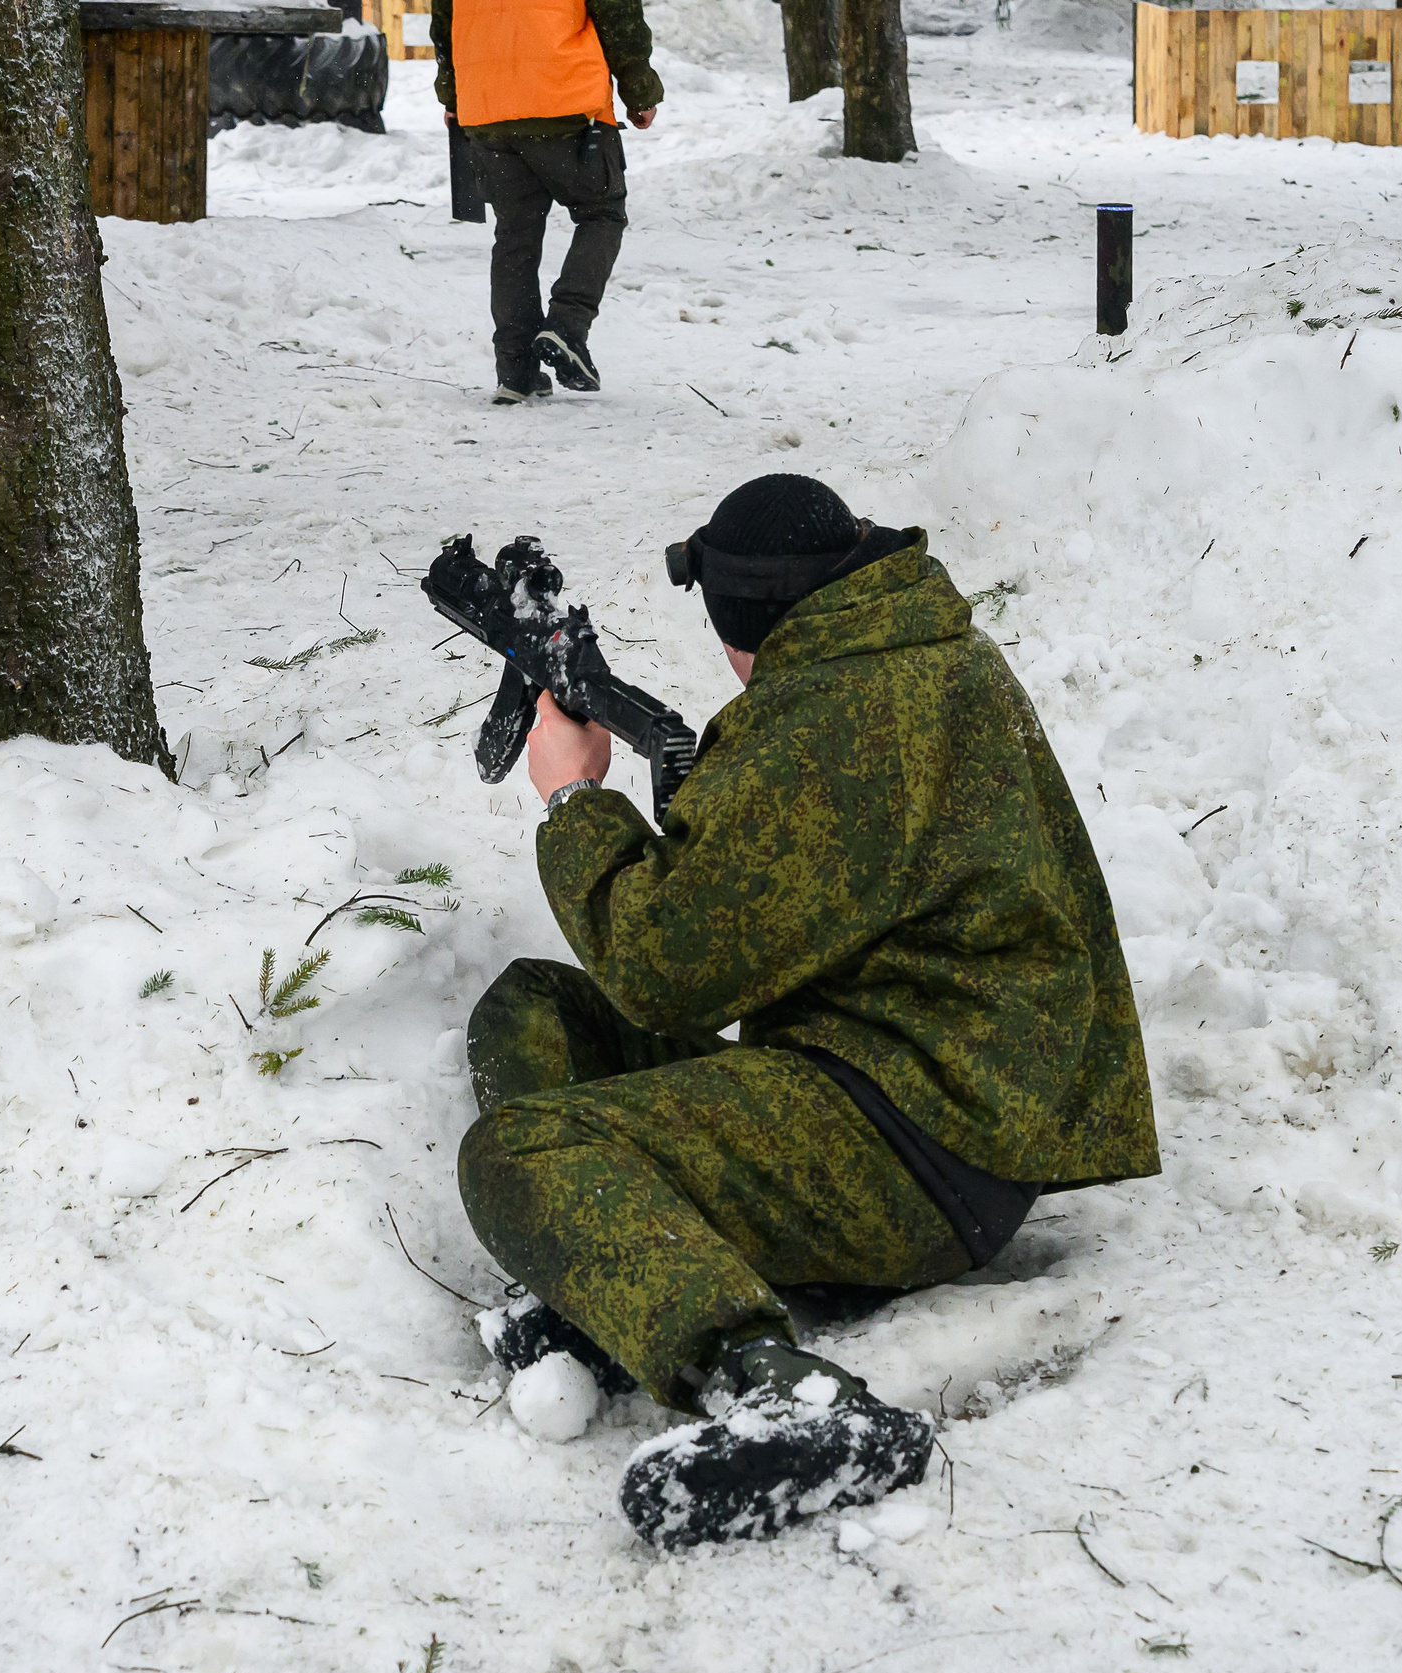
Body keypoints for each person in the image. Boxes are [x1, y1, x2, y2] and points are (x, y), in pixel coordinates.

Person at [455, 474, 1161, 1548]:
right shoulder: (908, 654)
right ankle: (606, 1283)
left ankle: (783, 1393)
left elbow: (666, 970)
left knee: (517, 1151)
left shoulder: (830, 720)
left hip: (921, 1145)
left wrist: (574, 796)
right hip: (932, 1093)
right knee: (536, 1008)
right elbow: (791, 884)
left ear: (742, 623)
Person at [431, 0, 662, 404]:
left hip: (487, 106)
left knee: (515, 237)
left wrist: (453, 95)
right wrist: (639, 88)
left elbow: (444, 24)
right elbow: (618, 15)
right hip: (564, 99)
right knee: (602, 213)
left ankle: (516, 372)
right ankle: (567, 327)